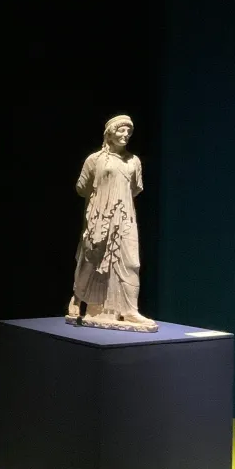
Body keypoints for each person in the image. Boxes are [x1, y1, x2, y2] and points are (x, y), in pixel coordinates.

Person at [67, 115, 156, 330]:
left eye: (129, 132)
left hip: (124, 216)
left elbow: (135, 189)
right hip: (99, 215)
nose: (126, 135)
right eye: (121, 130)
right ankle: (78, 298)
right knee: (91, 259)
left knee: (131, 262)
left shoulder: (134, 161)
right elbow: (81, 187)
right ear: (109, 133)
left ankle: (129, 310)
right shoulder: (94, 159)